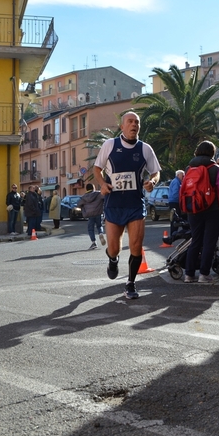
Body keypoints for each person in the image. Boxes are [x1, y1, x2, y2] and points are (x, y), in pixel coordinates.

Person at [93, 111, 161, 299]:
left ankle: (130, 284)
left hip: (135, 204)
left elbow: (156, 172)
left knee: (136, 246)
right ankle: (113, 259)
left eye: (137, 122)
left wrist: (152, 182)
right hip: (114, 204)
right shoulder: (110, 145)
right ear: (122, 126)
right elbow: (97, 168)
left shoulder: (145, 149)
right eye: (130, 122)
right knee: (114, 248)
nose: (134, 125)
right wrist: (102, 184)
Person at [182, 141, 219, 284]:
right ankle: (204, 274)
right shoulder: (215, 168)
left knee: (195, 241)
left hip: (194, 209)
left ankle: (189, 274)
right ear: (212, 153)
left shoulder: (188, 168)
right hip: (213, 210)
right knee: (209, 242)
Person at [76, 183, 105, 250]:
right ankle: (100, 233)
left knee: (90, 229)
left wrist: (84, 208)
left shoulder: (84, 197)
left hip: (90, 215)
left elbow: (78, 204)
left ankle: (94, 242)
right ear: (93, 188)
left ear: (86, 189)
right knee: (99, 226)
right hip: (98, 213)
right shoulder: (98, 194)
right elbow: (105, 198)